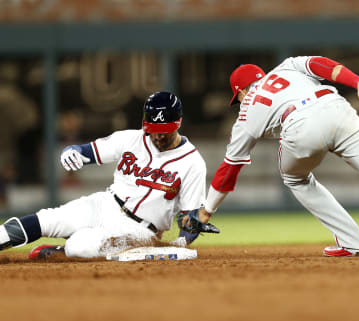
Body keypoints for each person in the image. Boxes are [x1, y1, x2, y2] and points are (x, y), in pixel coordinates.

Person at [197, 57, 359, 256]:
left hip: (300, 124)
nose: (240, 101)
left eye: (238, 97)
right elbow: (324, 66)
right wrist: (357, 82)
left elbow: (229, 169)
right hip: (337, 107)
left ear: (242, 91)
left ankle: (352, 242)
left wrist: (207, 211)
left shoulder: (246, 112)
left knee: (294, 178)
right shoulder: (288, 66)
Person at [0, 91, 207, 258]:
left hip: (140, 230)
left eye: (165, 129)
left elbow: (191, 218)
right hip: (104, 204)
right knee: (47, 219)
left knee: (80, 247)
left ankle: (65, 252)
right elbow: (86, 151)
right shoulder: (130, 139)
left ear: (178, 123)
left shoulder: (193, 163)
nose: (159, 135)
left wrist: (181, 242)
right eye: (154, 129)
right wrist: (73, 152)